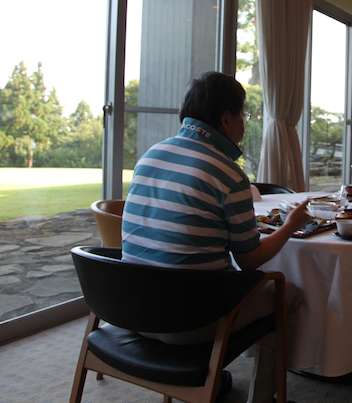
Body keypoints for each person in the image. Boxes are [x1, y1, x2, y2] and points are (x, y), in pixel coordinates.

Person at [121, 71, 310, 403]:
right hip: (190, 320)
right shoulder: (228, 173)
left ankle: (214, 376)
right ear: (226, 119)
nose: (244, 125)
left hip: (132, 309)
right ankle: (262, 399)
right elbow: (249, 260)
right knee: (286, 292)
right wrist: (290, 225)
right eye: (243, 116)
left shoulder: (149, 156)